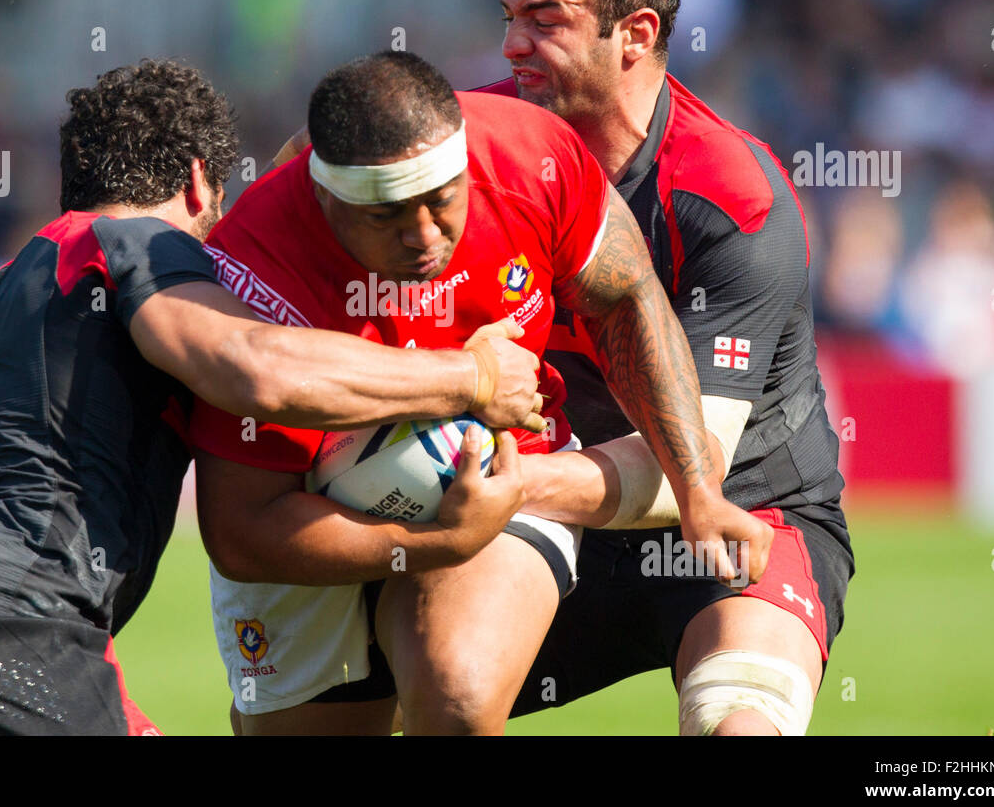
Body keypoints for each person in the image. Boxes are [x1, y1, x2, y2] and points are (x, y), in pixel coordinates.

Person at [0, 59, 545, 736]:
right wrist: (469, 377)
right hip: (1, 617)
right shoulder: (137, 241)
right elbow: (256, 369)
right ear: (200, 181)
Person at [190, 50, 771, 735]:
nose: (426, 236)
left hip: (500, 466)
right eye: (389, 216)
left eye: (443, 200)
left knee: (457, 699)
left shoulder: (530, 153)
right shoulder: (245, 275)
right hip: (303, 512)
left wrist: (697, 486)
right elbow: (243, 531)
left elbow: (626, 298)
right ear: (325, 195)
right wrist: (436, 538)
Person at [479, 0, 852, 736]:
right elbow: (321, 175)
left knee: (740, 723)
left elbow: (697, 464)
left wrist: (499, 487)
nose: (510, 46)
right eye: (507, 17)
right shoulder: (472, 142)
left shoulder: (728, 192)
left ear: (635, 33)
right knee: (385, 700)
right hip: (558, 518)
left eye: (545, 20)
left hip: (739, 520)